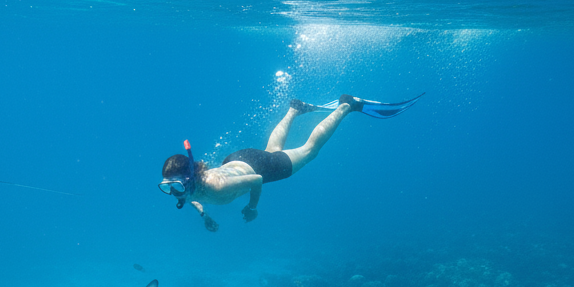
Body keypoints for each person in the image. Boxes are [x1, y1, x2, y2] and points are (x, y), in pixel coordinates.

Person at [158, 93, 420, 231]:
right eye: (168, 187)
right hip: (238, 158)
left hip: (258, 169)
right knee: (272, 150)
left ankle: (347, 106)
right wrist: (203, 216)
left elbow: (257, 180)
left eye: (176, 187)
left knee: (309, 151)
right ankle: (295, 108)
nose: (174, 193)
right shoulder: (188, 189)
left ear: (191, 178)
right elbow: (188, 198)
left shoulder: (217, 187)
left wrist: (252, 208)